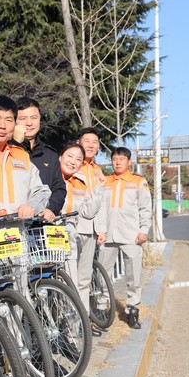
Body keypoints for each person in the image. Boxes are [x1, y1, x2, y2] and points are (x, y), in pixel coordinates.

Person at [100, 147, 152, 329]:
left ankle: (132, 310)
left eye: (122, 159)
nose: (118, 162)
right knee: (103, 274)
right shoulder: (105, 181)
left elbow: (145, 208)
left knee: (134, 275)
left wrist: (144, 230)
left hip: (131, 235)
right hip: (107, 235)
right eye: (115, 159)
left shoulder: (138, 182)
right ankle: (103, 307)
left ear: (129, 162)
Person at [58, 142, 105, 310]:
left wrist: (99, 189)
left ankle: (74, 329)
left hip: (69, 236)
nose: (73, 161)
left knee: (71, 283)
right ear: (60, 157)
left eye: (78, 159)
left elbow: (87, 212)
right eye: (69, 156)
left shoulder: (80, 181)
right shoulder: (48, 176)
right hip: (46, 235)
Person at [12, 97, 67, 222]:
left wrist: (51, 208)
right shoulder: (5, 150)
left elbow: (59, 188)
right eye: (23, 118)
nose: (29, 123)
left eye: (34, 118)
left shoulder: (49, 154)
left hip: (41, 225)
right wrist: (16, 143)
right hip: (13, 221)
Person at [74, 127, 108, 313]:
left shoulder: (97, 170)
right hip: (74, 226)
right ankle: (70, 321)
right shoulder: (72, 163)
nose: (91, 145)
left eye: (95, 142)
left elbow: (101, 202)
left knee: (85, 276)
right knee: (71, 276)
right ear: (79, 142)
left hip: (91, 229)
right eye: (87, 141)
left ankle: (83, 319)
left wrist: (101, 229)